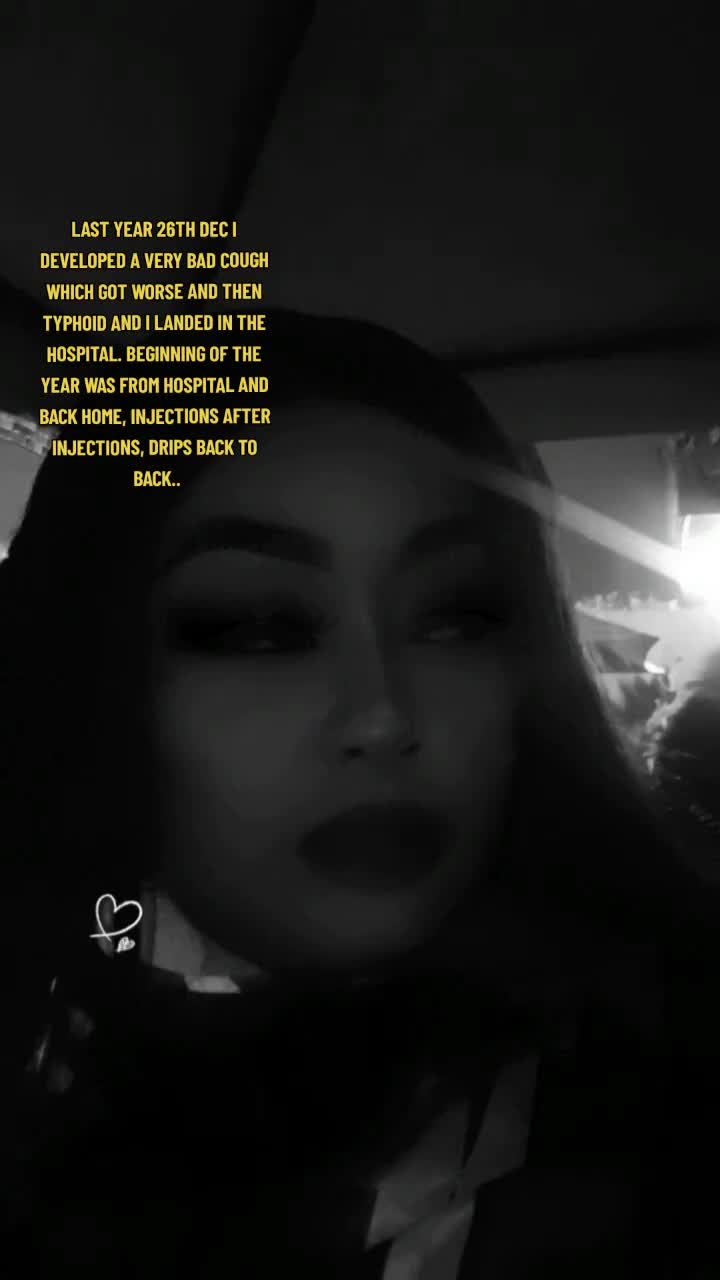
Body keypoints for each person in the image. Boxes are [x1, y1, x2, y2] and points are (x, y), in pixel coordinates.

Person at [0, 311, 717, 1276]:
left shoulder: (659, 1092)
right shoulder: (51, 1049)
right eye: (260, 626)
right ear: (92, 669)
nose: (382, 715)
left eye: (453, 616)